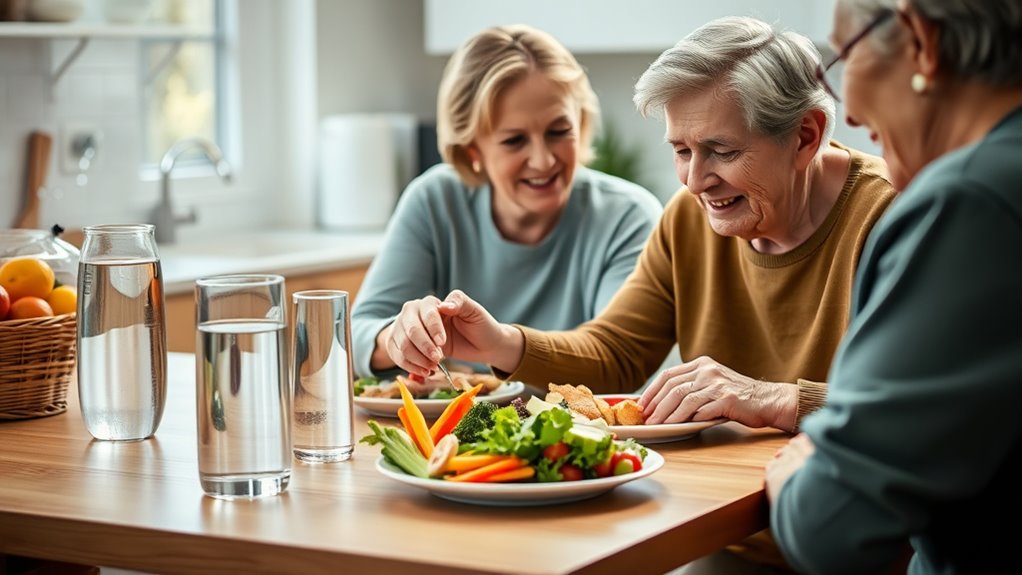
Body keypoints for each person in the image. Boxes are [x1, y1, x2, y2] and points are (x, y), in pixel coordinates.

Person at [383, 15, 898, 573]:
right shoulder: (691, 218)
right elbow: (616, 352)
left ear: (805, 137)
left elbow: (922, 413)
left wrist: (775, 398)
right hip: (720, 539)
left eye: (722, 151)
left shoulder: (891, 219)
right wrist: (499, 342)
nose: (694, 180)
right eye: (681, 150)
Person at [766, 0, 1022, 573]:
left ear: (921, 42)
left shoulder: (969, 204)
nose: (848, 115)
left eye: (844, 59)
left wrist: (803, 460)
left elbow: (829, 526)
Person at [351, 24, 664, 378]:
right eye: (515, 140)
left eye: (559, 132)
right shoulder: (435, 200)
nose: (544, 160)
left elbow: (614, 361)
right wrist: (398, 336)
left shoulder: (628, 217)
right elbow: (357, 334)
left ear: (581, 123)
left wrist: (499, 344)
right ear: (473, 150)